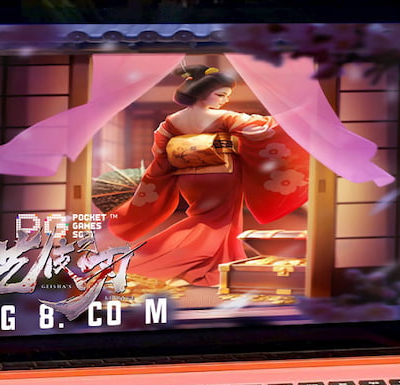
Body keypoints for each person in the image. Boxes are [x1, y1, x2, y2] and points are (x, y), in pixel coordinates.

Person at [108, 64, 310, 288]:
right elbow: (264, 129)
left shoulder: (171, 121)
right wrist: (299, 114)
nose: (224, 100)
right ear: (202, 92)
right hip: (222, 177)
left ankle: (214, 268)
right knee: (215, 223)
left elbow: (159, 151)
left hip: (188, 179)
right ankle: (141, 262)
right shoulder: (225, 117)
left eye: (226, 96)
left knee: (212, 220)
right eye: (220, 95)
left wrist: (185, 154)